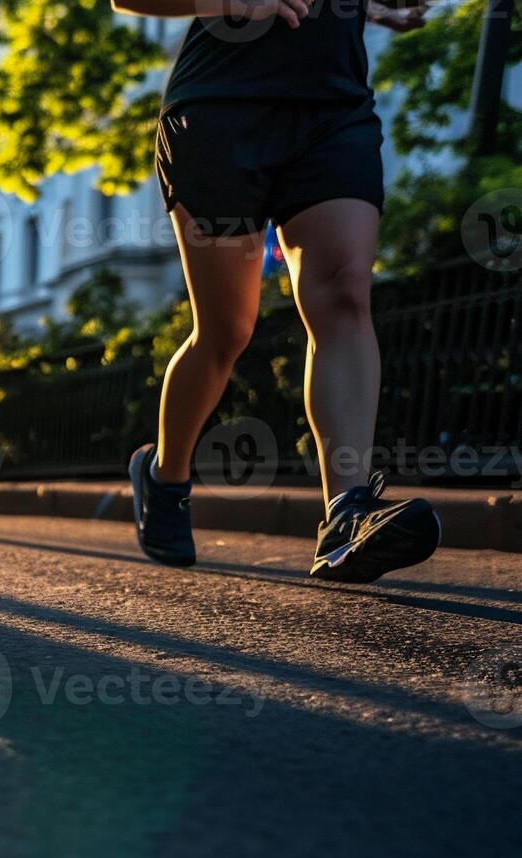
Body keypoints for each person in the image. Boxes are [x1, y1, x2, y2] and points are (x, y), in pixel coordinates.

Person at [116, 0, 438, 582]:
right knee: (225, 332)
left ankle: (346, 513)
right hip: (219, 108)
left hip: (333, 109)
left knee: (344, 292)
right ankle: (165, 474)